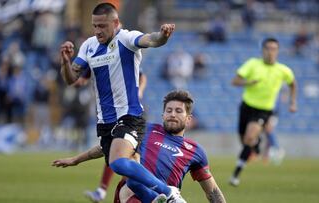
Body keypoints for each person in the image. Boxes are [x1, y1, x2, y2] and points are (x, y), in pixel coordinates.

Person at [58, 2, 182, 202]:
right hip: (105, 122)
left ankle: (168, 192)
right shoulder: (89, 46)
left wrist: (163, 36)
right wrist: (65, 61)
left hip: (130, 115)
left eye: (102, 26)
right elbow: (71, 78)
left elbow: (150, 39)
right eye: (94, 25)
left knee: (117, 162)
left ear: (115, 22)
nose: (97, 30)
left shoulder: (126, 38)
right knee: (132, 181)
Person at [53, 90, 227, 203]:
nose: (172, 114)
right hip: (132, 195)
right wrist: (76, 159)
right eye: (169, 110)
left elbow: (212, 191)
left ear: (188, 118)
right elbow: (108, 148)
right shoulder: (145, 129)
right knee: (132, 184)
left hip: (166, 199)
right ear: (163, 114)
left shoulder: (195, 151)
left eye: (178, 111)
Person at [229, 37, 297, 187]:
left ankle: (235, 175)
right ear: (263, 50)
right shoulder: (253, 64)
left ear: (278, 51)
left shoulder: (283, 70)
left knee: (248, 138)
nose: (270, 52)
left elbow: (293, 84)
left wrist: (292, 102)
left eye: (274, 49)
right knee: (245, 140)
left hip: (264, 110)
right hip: (246, 106)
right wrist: (248, 82)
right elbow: (234, 81)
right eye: (268, 48)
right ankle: (257, 144)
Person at [84, 72, 147, 203]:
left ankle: (163, 192)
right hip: (114, 111)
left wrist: (140, 91)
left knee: (123, 154)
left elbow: (142, 75)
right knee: (115, 152)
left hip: (128, 112)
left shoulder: (124, 59)